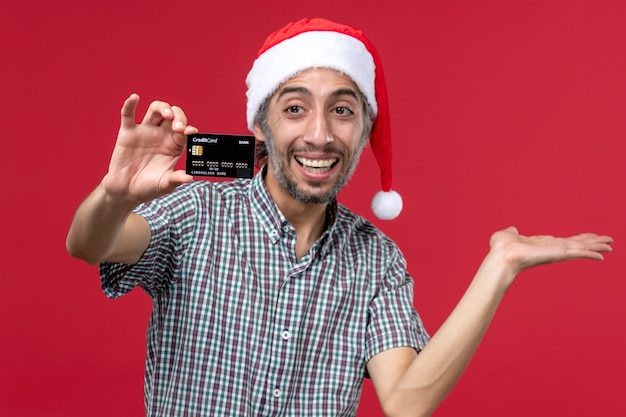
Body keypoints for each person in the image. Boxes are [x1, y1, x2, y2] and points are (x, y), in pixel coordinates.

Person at [66, 17, 613, 417]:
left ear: (362, 132)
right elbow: (90, 245)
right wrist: (116, 194)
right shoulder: (196, 212)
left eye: (343, 110)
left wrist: (500, 266)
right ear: (261, 126)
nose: (321, 134)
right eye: (296, 108)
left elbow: (405, 401)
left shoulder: (376, 261)